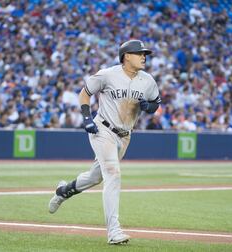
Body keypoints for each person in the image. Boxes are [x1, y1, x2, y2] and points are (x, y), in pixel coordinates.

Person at [48, 39, 161, 244]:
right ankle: (114, 232)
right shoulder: (107, 74)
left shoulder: (147, 80)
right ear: (126, 56)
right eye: (140, 53)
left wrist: (149, 107)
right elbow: (85, 93)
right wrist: (86, 119)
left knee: (94, 177)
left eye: (145, 54)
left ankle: (63, 191)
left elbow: (156, 102)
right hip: (103, 129)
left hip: (125, 135)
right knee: (113, 173)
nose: (144, 56)